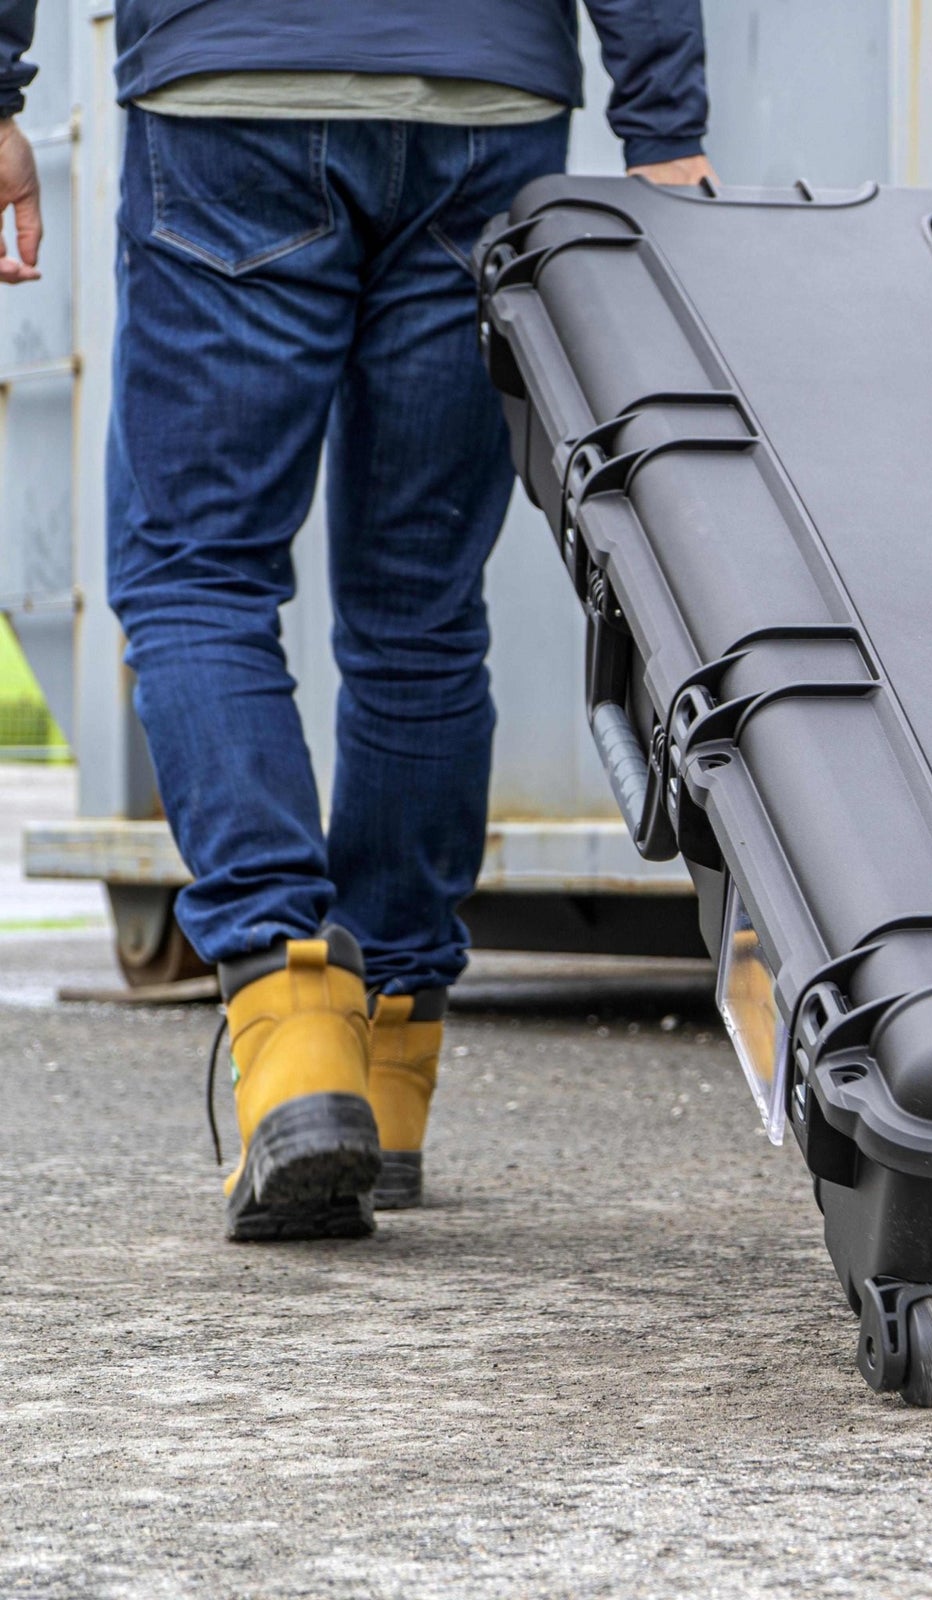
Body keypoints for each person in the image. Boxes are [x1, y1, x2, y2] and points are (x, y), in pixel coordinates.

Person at [0, 2, 712, 1239]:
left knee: (197, 571)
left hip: (233, 89)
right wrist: (664, 126)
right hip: (485, 103)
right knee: (420, 602)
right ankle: (387, 1058)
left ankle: (292, 1030)